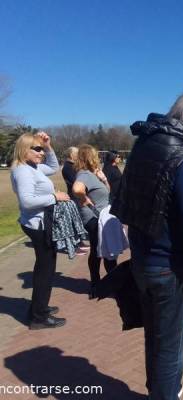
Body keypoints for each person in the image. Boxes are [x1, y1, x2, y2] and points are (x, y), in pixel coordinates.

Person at [111, 91, 183, 399]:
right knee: (172, 350)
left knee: (156, 340)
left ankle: (158, 393)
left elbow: (123, 201)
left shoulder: (144, 146)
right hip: (169, 269)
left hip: (142, 262)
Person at [10, 131, 70, 329]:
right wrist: (54, 197)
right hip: (37, 225)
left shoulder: (33, 167)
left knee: (44, 267)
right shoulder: (23, 171)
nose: (41, 153)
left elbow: (53, 167)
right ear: (24, 149)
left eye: (41, 149)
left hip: (42, 223)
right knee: (46, 270)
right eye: (37, 149)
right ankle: (38, 317)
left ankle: (39, 307)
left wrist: (49, 145)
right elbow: (27, 202)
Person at [72, 144, 117, 298]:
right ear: (89, 157)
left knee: (105, 250)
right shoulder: (84, 174)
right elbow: (77, 189)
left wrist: (103, 179)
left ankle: (108, 283)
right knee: (100, 251)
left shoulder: (93, 173)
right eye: (96, 155)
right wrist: (85, 200)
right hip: (94, 218)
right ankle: (98, 285)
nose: (98, 158)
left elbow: (107, 191)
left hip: (102, 216)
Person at [61, 146, 89, 256]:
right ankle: (74, 246)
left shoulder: (74, 166)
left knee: (78, 221)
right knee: (74, 222)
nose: (78, 155)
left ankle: (80, 242)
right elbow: (76, 181)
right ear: (71, 155)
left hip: (77, 196)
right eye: (76, 153)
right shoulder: (67, 167)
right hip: (74, 197)